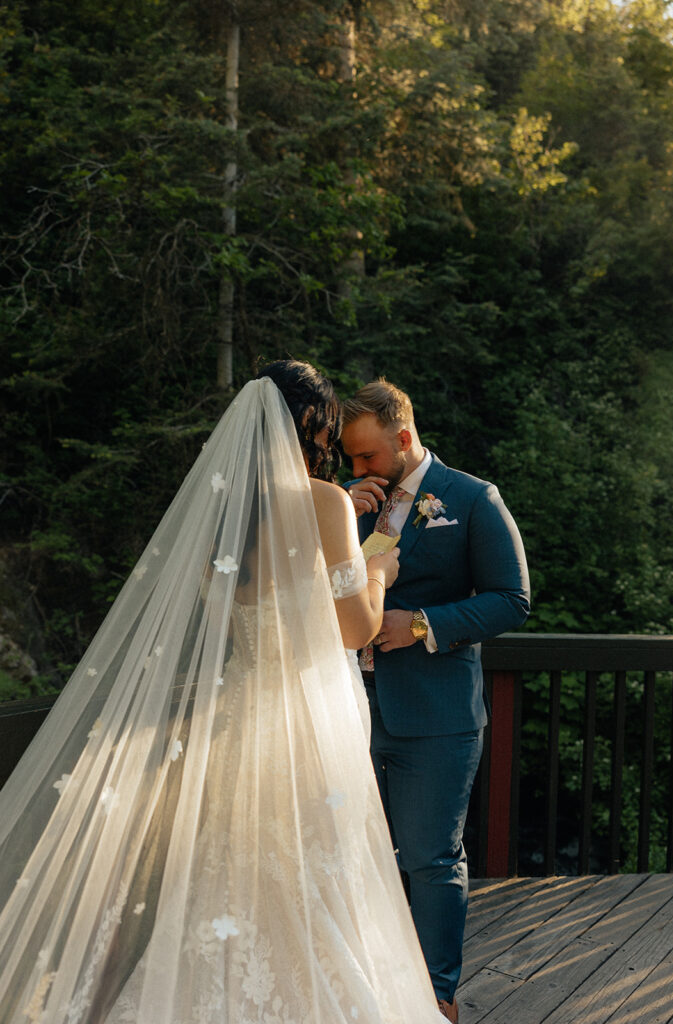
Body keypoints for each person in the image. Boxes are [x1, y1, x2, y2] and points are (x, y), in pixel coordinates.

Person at [0, 361, 446, 1023]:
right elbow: (353, 628)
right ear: (313, 429)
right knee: (313, 874)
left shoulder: (218, 518)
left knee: (227, 870)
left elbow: (226, 628)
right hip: (305, 723)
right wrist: (379, 569)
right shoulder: (323, 504)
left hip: (238, 715)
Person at [342, 379, 530, 1023]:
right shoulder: (350, 502)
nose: (358, 468)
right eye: (350, 459)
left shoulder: (473, 499)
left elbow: (512, 599)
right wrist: (344, 510)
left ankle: (435, 999)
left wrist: (421, 624)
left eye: (366, 457)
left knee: (430, 858)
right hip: (350, 709)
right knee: (351, 855)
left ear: (402, 437)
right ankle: (366, 990)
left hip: (437, 717)